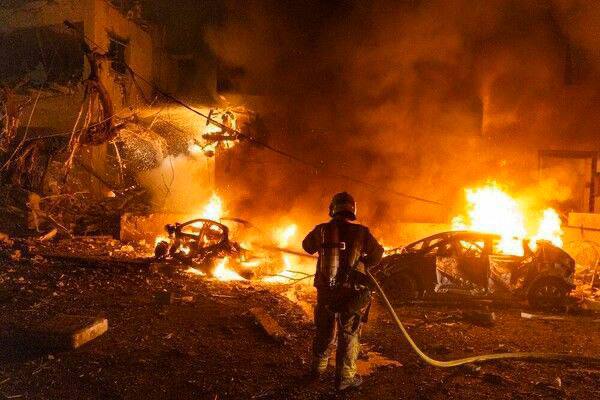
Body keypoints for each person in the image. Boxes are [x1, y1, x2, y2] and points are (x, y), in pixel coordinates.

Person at [302, 192, 384, 391]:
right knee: (348, 333)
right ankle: (345, 379)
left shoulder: (322, 230)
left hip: (326, 292)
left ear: (333, 209)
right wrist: (363, 263)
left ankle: (317, 369)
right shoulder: (362, 232)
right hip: (351, 294)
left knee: (324, 330)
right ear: (352, 210)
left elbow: (307, 246)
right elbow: (378, 254)